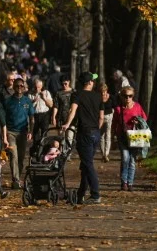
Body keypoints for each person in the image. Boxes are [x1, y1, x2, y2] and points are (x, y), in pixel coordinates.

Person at [62, 71, 103, 204]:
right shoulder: (98, 96)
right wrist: (97, 128)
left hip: (84, 132)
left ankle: (95, 194)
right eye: (93, 80)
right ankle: (80, 194)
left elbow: (72, 111)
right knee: (86, 164)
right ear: (90, 82)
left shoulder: (77, 94)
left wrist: (67, 124)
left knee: (88, 164)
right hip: (95, 132)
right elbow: (101, 116)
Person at [113, 87, 148, 191]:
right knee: (125, 158)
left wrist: (138, 122)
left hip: (135, 136)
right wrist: (113, 135)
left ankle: (130, 182)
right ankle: (123, 182)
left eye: (130, 96)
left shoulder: (137, 106)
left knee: (132, 160)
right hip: (122, 136)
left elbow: (144, 118)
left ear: (133, 96)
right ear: (121, 96)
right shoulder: (118, 109)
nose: (128, 98)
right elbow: (114, 123)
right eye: (125, 96)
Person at [2, 78, 35, 188]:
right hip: (11, 132)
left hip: (23, 132)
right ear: (13, 87)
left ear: (24, 87)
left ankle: (18, 177)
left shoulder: (27, 101)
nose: (19, 88)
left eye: (21, 86)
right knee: (13, 156)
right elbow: (3, 119)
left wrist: (31, 131)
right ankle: (15, 179)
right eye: (17, 86)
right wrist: (4, 134)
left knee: (21, 158)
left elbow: (31, 117)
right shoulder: (8, 101)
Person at [30, 77, 54, 151]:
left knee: (44, 133)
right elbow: (27, 107)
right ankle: (36, 149)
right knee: (35, 134)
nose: (38, 89)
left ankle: (44, 149)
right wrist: (33, 101)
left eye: (39, 87)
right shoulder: (30, 94)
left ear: (42, 86)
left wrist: (44, 98)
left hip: (45, 114)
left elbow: (51, 105)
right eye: (36, 87)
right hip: (35, 115)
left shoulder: (46, 92)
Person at [99, 83, 115, 161]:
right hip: (100, 118)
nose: (103, 93)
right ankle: (103, 154)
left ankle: (106, 154)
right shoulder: (98, 98)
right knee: (101, 135)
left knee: (108, 135)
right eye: (102, 91)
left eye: (104, 91)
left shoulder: (111, 97)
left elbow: (115, 106)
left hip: (109, 117)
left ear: (106, 90)